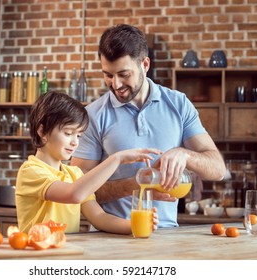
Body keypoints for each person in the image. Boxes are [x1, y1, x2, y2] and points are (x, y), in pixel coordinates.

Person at [71, 24, 226, 227]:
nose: (115, 84)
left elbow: (218, 170)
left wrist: (184, 154)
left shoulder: (179, 104)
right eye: (108, 75)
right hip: (111, 238)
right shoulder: (92, 115)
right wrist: (136, 185)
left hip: (167, 236)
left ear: (145, 65)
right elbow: (78, 192)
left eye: (124, 74)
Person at [15, 91, 160, 234]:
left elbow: (99, 217)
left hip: (66, 253)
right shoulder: (31, 171)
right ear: (42, 131)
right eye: (68, 133)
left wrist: (136, 225)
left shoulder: (75, 174)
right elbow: (74, 194)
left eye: (78, 135)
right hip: (38, 254)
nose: (75, 142)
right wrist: (116, 159)